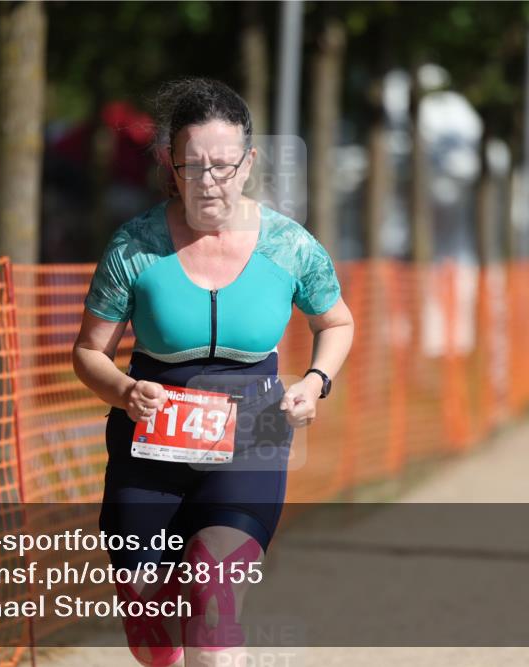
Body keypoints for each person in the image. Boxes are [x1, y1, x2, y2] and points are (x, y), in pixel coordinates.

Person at [72, 77, 354, 666]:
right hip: (149, 447)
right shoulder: (135, 247)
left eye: (223, 166)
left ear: (248, 162)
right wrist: (125, 389)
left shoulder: (290, 246)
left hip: (251, 440)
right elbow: (89, 352)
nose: (209, 181)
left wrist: (314, 383)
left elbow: (337, 323)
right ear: (170, 166)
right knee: (150, 635)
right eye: (193, 166)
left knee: (212, 598)